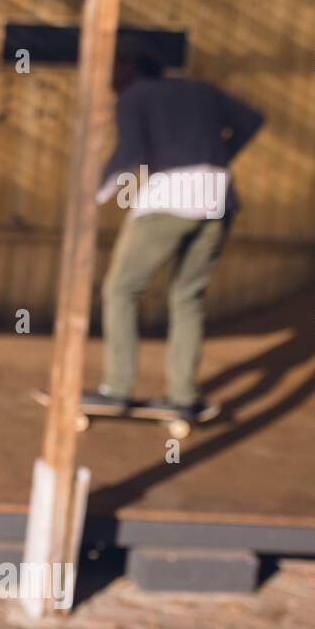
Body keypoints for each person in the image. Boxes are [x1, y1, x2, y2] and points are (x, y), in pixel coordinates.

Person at [86, 44, 264, 421]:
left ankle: (117, 389)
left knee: (121, 289)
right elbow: (252, 118)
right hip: (219, 197)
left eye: (112, 68)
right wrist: (218, 156)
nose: (108, 80)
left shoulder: (136, 95)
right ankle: (183, 395)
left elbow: (130, 152)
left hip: (170, 199)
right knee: (188, 295)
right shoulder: (202, 90)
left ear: (131, 65)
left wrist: (96, 193)